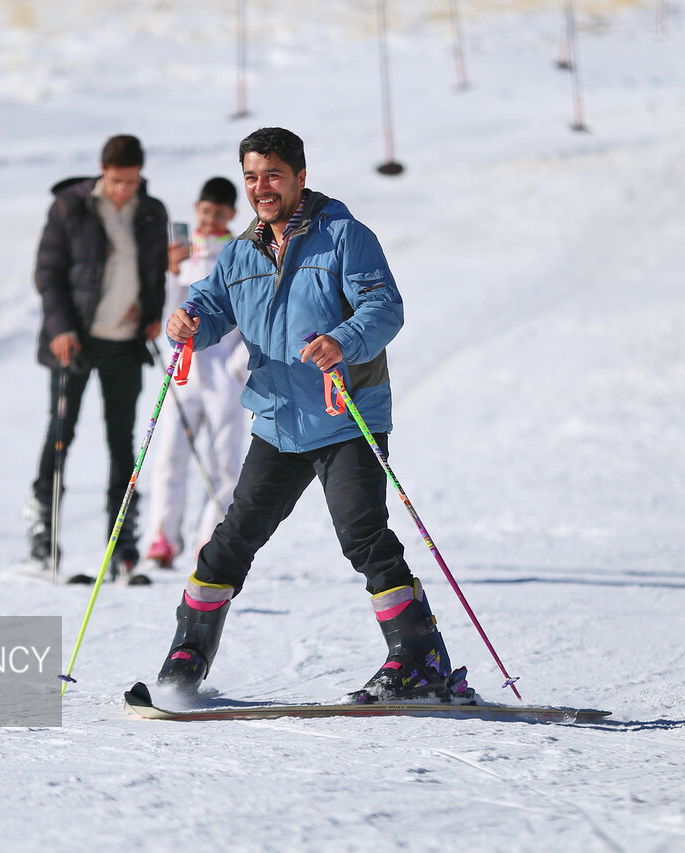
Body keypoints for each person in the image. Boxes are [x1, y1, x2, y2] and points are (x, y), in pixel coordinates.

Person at [153, 127, 474, 703]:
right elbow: (213, 301)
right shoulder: (242, 250)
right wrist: (188, 320)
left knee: (363, 535)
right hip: (279, 419)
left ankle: (419, 661)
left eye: (273, 175)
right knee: (233, 538)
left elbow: (384, 306)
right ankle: (187, 653)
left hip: (346, 414)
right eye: (252, 177)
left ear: (300, 176)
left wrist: (343, 340)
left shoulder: (344, 237)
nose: (261, 188)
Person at [27, 134, 168, 579]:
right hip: (76, 343)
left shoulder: (151, 210)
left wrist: (151, 315)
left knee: (122, 442)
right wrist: (61, 328)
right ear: (102, 172)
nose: (124, 189)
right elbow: (48, 272)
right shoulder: (71, 205)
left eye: (131, 181)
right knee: (60, 435)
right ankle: (43, 539)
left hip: (125, 344)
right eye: (116, 181)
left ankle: (122, 545)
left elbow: (154, 270)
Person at [143, 177, 249, 570]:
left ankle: (210, 535)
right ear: (196, 209)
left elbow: (249, 317)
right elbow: (168, 311)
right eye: (205, 212)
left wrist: (240, 364)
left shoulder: (240, 254)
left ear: (232, 216)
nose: (210, 220)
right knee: (171, 455)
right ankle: (162, 536)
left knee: (224, 460)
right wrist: (171, 273)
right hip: (185, 369)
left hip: (223, 371)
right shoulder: (182, 253)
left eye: (219, 215)